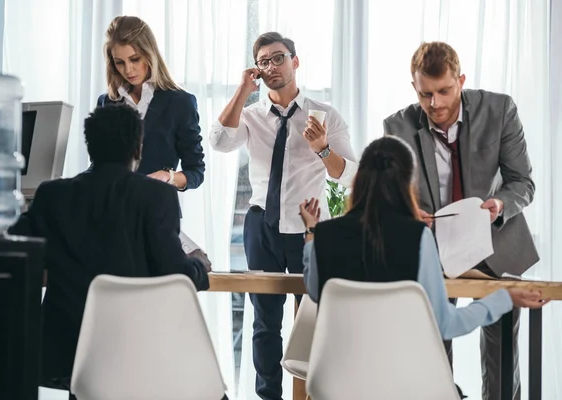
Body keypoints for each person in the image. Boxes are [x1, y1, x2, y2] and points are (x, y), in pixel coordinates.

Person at [299, 136, 548, 399]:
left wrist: (312, 233)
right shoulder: (417, 237)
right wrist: (503, 298)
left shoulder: (326, 235)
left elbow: (316, 291)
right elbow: (445, 324)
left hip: (337, 384)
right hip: (406, 386)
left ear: (359, 179)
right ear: (408, 184)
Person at [8, 105, 211, 400]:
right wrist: (199, 266)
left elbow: (17, 244)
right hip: (139, 351)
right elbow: (174, 274)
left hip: (70, 353)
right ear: (138, 147)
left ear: (89, 146)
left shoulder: (52, 195)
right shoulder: (157, 195)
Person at [382, 41, 539, 400]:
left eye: (444, 91)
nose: (435, 103)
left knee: (502, 350)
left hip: (495, 242)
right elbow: (391, 195)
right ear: (414, 88)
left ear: (461, 80)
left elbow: (523, 183)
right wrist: (409, 214)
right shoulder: (397, 126)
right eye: (425, 94)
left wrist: (500, 203)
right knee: (433, 341)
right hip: (433, 247)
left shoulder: (499, 110)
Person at [209, 32, 357, 400]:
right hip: (262, 227)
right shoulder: (252, 116)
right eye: (264, 62)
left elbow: (351, 174)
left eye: (279, 58)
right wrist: (244, 90)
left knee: (315, 319)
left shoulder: (325, 115)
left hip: (309, 228)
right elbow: (218, 141)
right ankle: (268, 396)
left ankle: (315, 394)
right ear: (257, 70)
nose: (272, 66)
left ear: (295, 61)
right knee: (264, 322)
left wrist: (322, 149)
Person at [98, 16, 205, 190]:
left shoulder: (180, 102)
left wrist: (167, 176)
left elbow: (196, 172)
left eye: (134, 59)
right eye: (119, 63)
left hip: (156, 210)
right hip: (111, 210)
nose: (128, 70)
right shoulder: (107, 102)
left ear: (149, 54)